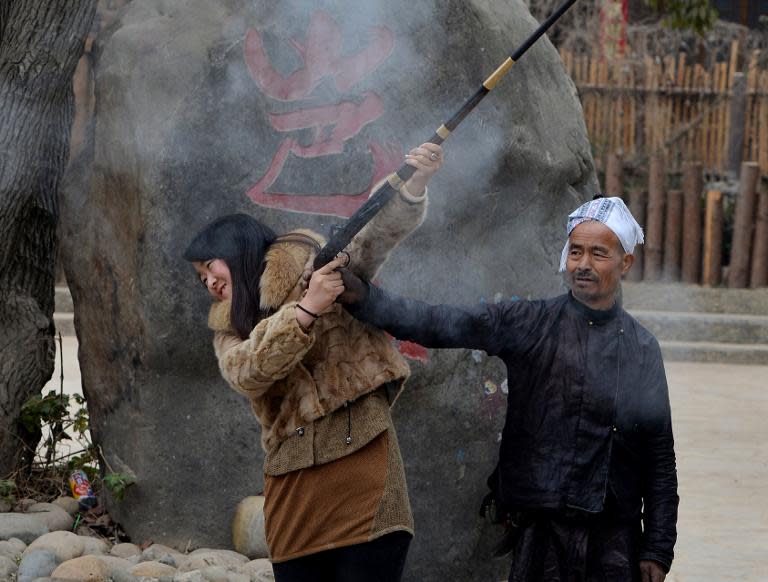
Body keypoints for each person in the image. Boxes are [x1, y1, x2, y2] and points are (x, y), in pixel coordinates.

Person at [341, 196, 679, 582]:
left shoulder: (641, 348)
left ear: (625, 263)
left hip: (613, 539)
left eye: (599, 254)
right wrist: (364, 298)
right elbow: (438, 322)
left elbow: (659, 455)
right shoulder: (530, 323)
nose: (583, 264)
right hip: (540, 530)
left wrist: (657, 545)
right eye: (576, 251)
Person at [183, 143, 442, 582]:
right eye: (201, 277)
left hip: (363, 464)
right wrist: (305, 312)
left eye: (211, 266)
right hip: (291, 483)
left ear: (239, 250)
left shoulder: (318, 264)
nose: (208, 281)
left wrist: (412, 183)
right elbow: (246, 372)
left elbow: (371, 234)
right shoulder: (229, 328)